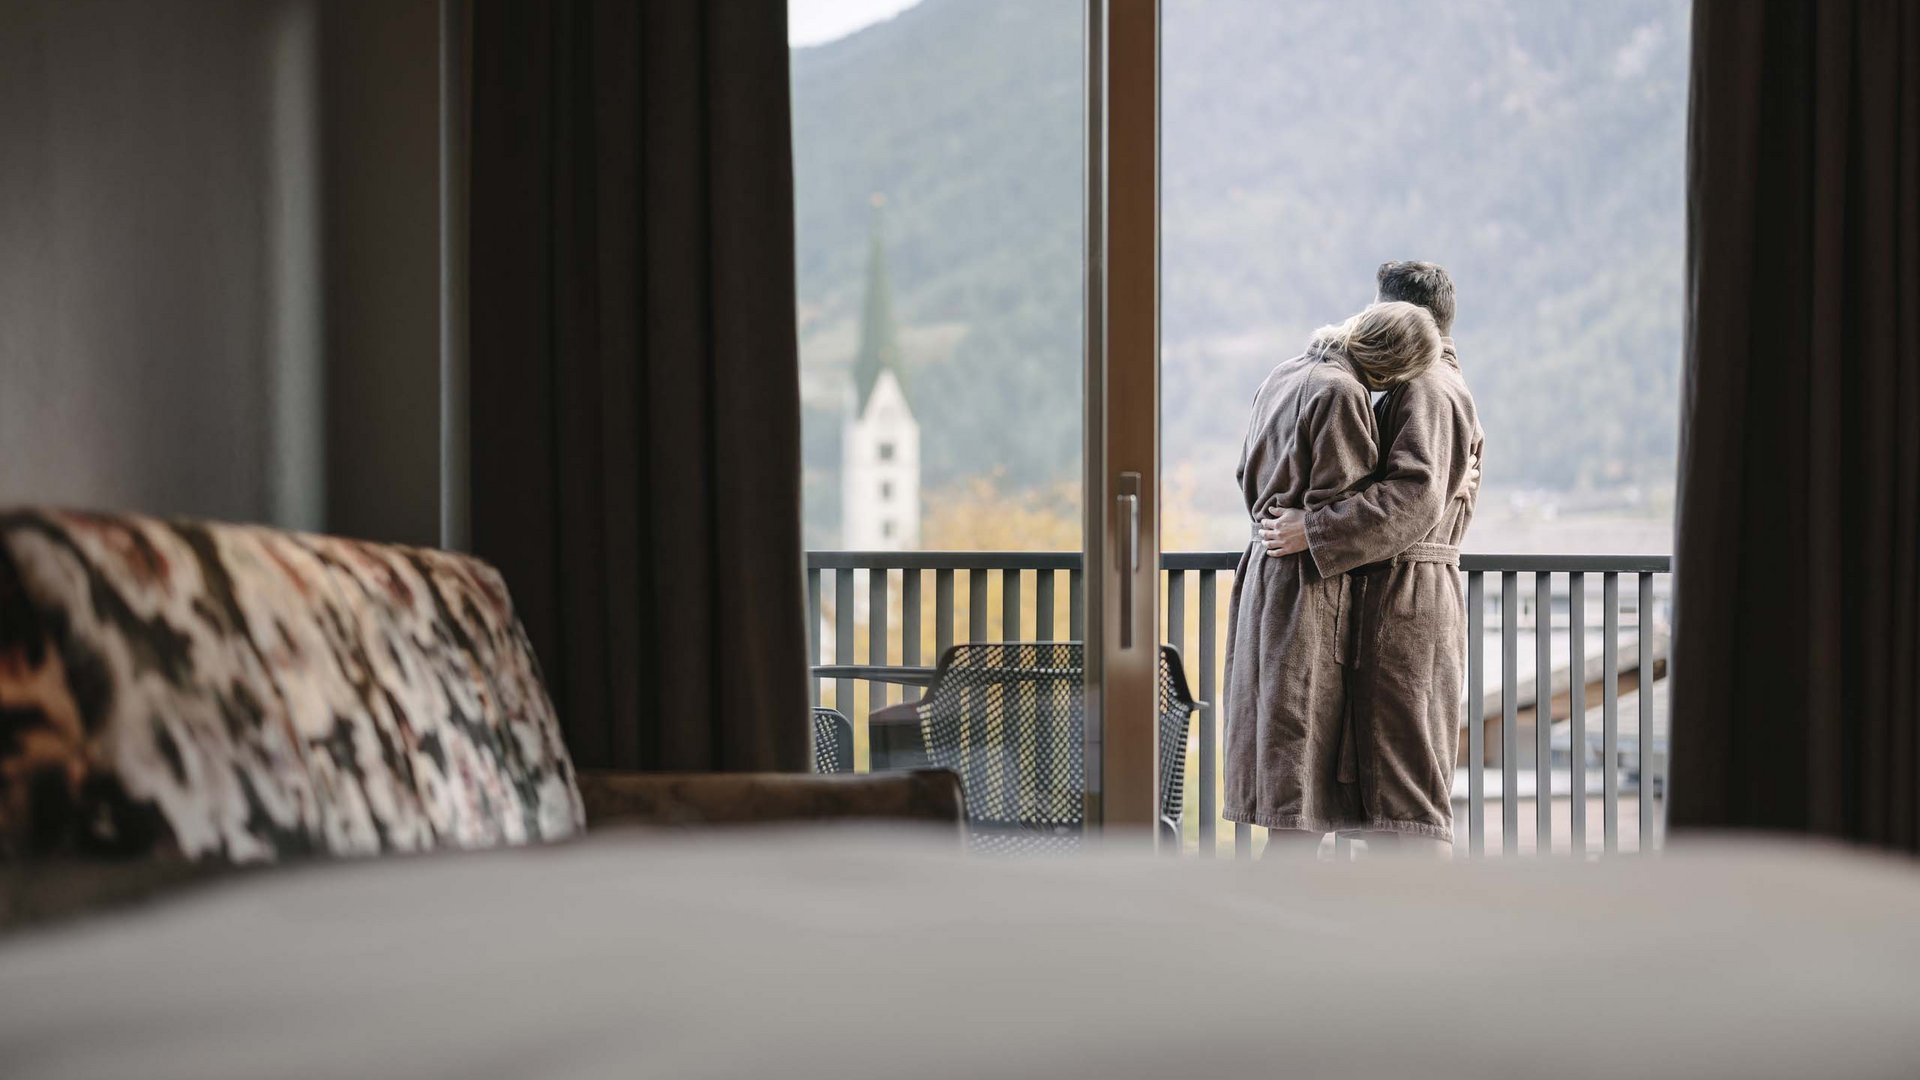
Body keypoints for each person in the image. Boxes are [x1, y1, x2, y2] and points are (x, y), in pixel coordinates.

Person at [1259, 261, 1485, 856]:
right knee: (1384, 796)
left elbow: (1418, 495)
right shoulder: (1414, 382)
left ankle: (1409, 933)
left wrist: (1315, 528)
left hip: (1411, 603)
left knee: (1405, 802)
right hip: (1389, 596)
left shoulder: (1427, 386)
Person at [1221, 300, 1444, 857]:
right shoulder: (1342, 394)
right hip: (1309, 593)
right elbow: (1351, 495)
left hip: (1263, 579)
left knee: (1279, 750)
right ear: (1392, 367)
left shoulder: (1283, 374)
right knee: (1302, 760)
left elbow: (1245, 471)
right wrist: (1318, 529)